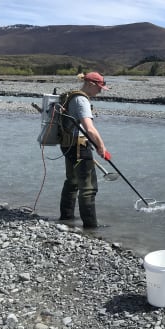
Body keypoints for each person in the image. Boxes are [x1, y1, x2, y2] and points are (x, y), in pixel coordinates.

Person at [59, 72, 109, 228]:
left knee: (72, 181)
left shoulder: (72, 96)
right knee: (88, 188)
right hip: (79, 145)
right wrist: (102, 147)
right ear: (90, 84)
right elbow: (90, 129)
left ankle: (66, 219)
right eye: (99, 87)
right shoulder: (81, 100)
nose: (100, 91)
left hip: (67, 144)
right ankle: (91, 227)